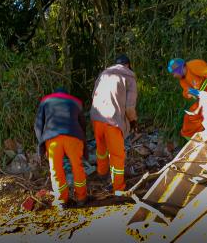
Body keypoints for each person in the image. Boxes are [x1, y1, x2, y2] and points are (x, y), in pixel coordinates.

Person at [90, 54, 138, 194]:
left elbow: (94, 95)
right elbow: (129, 107)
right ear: (128, 65)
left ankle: (102, 173)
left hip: (97, 117)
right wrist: (133, 121)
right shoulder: (129, 77)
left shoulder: (104, 74)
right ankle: (118, 188)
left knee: (101, 149)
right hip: (113, 120)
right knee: (117, 155)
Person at [34, 87, 88, 208]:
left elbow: (38, 125)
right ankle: (81, 198)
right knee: (77, 167)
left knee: (56, 170)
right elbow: (83, 124)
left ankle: (61, 200)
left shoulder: (45, 101)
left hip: (52, 139)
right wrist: (83, 140)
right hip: (74, 137)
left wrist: (42, 142)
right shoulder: (76, 101)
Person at [167, 58, 207, 140]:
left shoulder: (194, 65)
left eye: (174, 73)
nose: (174, 76)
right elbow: (187, 91)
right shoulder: (182, 80)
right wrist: (189, 94)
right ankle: (194, 139)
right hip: (204, 97)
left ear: (179, 69)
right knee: (190, 117)